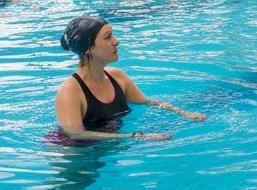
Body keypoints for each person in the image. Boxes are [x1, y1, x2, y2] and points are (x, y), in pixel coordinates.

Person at [53, 16, 207, 141]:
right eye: (108, 37)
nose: (116, 41)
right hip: (76, 153)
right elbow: (75, 134)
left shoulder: (117, 77)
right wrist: (137, 136)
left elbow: (148, 102)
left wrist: (183, 113)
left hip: (107, 145)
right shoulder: (70, 91)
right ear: (90, 49)